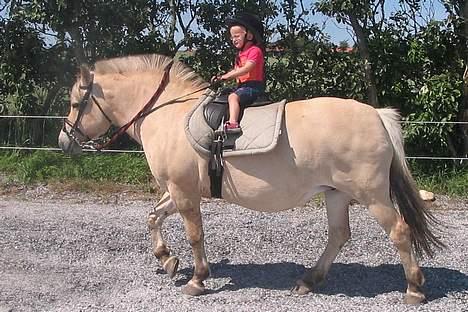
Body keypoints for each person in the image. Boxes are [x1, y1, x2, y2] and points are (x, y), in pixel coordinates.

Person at [212, 13, 265, 134]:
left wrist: (228, 76)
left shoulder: (255, 51)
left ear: (249, 36)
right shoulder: (240, 55)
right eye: (232, 37)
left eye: (236, 36)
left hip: (253, 87)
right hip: (242, 86)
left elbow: (247, 68)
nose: (233, 39)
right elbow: (236, 72)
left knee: (233, 97)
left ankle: (233, 123)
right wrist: (222, 78)